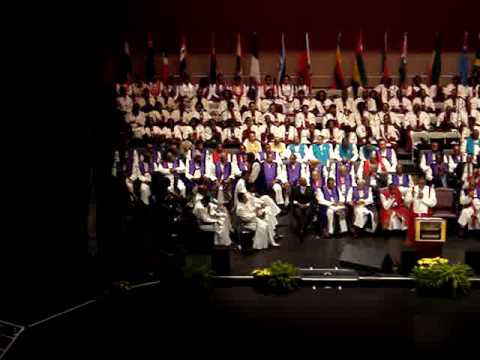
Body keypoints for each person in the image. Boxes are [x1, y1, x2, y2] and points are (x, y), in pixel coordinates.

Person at [404, 176, 437, 246]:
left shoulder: (430, 190)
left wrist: (423, 199)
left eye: (423, 180)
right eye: (420, 180)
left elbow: (433, 203)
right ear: (417, 181)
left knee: (424, 235)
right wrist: (413, 198)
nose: (421, 182)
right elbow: (406, 201)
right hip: (414, 214)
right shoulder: (412, 189)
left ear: (425, 181)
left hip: (426, 214)